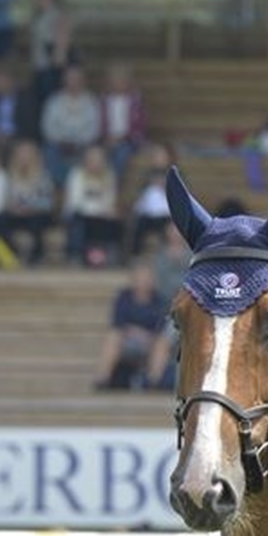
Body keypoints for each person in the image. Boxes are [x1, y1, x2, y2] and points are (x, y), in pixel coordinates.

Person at [93, 260, 173, 390]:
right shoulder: (123, 297)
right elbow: (117, 323)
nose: (143, 282)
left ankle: (153, 381)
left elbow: (161, 327)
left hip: (151, 342)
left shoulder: (160, 300)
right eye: (140, 278)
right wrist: (133, 333)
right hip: (126, 340)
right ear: (133, 279)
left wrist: (143, 334)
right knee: (113, 337)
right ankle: (102, 378)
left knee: (162, 342)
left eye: (147, 278)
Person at [40, 64, 102, 188]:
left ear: (83, 81)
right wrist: (62, 141)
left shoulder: (91, 101)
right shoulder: (54, 101)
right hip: (58, 144)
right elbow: (47, 127)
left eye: (77, 79)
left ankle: (76, 185)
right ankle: (62, 186)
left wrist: (78, 142)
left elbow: (94, 128)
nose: (73, 82)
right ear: (64, 81)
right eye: (70, 79)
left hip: (83, 144)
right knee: (49, 152)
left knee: (92, 153)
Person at [0, 139, 56, 265]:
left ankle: (36, 257)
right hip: (14, 214)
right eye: (21, 154)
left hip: (36, 214)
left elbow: (47, 203)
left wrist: (29, 208)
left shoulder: (44, 177)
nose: (24, 158)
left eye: (27, 154)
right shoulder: (6, 176)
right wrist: (13, 208)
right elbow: (2, 200)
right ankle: (6, 257)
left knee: (38, 221)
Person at [63, 144, 124, 266]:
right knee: (85, 223)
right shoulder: (77, 175)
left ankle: (107, 256)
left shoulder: (109, 175)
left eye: (99, 160)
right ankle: (77, 255)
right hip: (79, 213)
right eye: (92, 160)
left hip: (101, 214)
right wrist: (97, 210)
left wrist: (106, 211)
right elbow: (75, 201)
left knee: (114, 221)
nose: (95, 163)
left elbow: (110, 200)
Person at [98, 62, 146, 183]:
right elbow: (100, 124)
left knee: (121, 154)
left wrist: (122, 137)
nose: (118, 83)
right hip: (107, 140)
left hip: (128, 140)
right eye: (115, 80)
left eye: (121, 80)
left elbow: (140, 126)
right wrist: (107, 138)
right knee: (97, 154)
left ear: (128, 82)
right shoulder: (104, 101)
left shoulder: (135, 101)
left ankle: (112, 185)